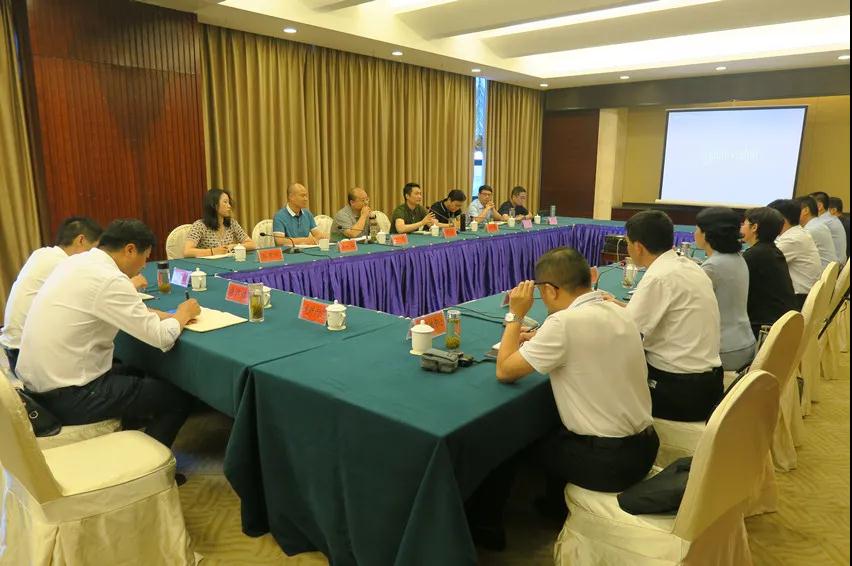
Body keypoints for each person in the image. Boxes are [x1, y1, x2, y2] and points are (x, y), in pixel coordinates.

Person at [16, 219, 201, 450]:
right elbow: (161, 337)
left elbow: (115, 308)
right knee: (176, 398)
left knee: (138, 371)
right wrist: (183, 314)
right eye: (145, 257)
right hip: (69, 396)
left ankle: (127, 441)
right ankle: (147, 462)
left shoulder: (76, 263)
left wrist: (165, 315)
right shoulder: (111, 279)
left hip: (38, 387)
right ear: (130, 249)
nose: (144, 265)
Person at [608, 210, 723, 422]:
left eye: (627, 243)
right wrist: (618, 305)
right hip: (709, 383)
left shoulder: (659, 277)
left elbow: (626, 332)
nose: (628, 248)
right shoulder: (689, 266)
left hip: (680, 391)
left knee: (603, 383)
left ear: (638, 247)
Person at [1, 217, 106, 372]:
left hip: (13, 348)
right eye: (95, 248)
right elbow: (97, 292)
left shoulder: (41, 254)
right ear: (81, 240)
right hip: (27, 355)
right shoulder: (65, 264)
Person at [694, 208, 756, 372]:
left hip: (724, 350)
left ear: (706, 234)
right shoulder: (738, 258)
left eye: (697, 228)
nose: (695, 233)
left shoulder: (712, 267)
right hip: (745, 343)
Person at [740, 207, 797, 339]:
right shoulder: (772, 251)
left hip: (764, 328)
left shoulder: (754, 255)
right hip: (782, 323)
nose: (742, 227)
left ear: (754, 227)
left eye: (744, 223)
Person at [769, 199, 822, 308]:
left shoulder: (792, 239)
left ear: (781, 220)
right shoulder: (797, 233)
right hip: (802, 296)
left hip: (797, 300)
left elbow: (764, 262)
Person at [184, 188, 255, 257]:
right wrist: (212, 251)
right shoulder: (200, 225)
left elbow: (252, 244)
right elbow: (187, 251)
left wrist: (235, 246)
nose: (229, 206)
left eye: (229, 202)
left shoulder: (232, 223)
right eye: (225, 202)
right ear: (214, 205)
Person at [798, 195, 837, 268]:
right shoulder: (818, 224)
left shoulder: (810, 230)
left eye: (795, 210)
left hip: (820, 272)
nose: (793, 214)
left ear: (806, 210)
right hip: (827, 271)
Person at [810, 191, 847, 261]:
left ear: (819, 206)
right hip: (837, 263)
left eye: (808, 205)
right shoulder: (830, 218)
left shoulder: (823, 222)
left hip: (833, 265)